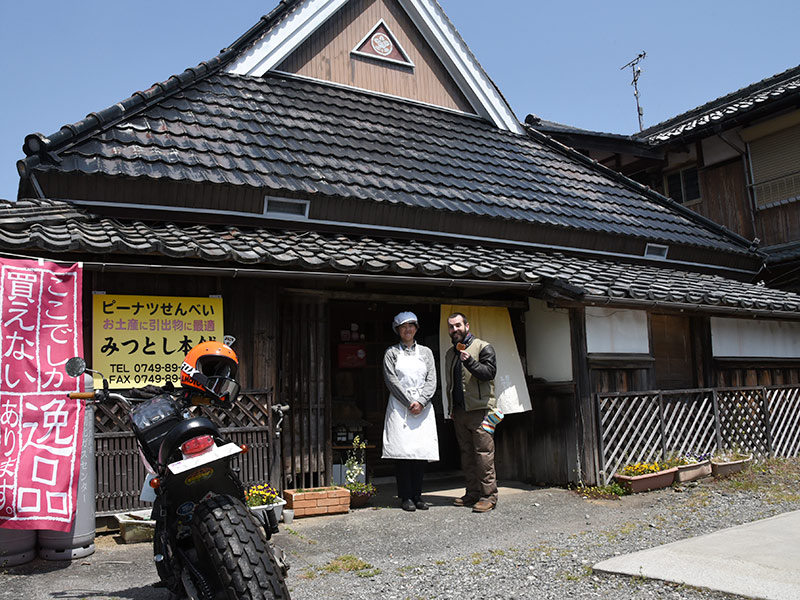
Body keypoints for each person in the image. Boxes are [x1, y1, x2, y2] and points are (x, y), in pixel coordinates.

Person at [382, 311, 439, 512]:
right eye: (404, 326)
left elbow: (432, 379)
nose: (408, 329)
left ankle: (418, 495)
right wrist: (408, 401)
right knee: (403, 453)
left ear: (416, 328)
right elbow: (391, 380)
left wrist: (422, 401)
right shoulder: (391, 353)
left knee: (419, 452)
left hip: (422, 407)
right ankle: (405, 496)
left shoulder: (426, 352)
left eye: (412, 325)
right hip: (400, 406)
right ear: (397, 330)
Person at [445, 312, 498, 513]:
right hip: (459, 412)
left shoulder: (483, 347)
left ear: (467, 325)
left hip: (482, 410)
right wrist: (451, 408)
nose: (455, 329)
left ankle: (489, 495)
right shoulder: (450, 353)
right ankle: (473, 492)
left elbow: (489, 373)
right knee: (466, 454)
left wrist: (471, 362)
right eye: (451, 327)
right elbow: (451, 384)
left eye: (458, 325)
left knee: (484, 454)